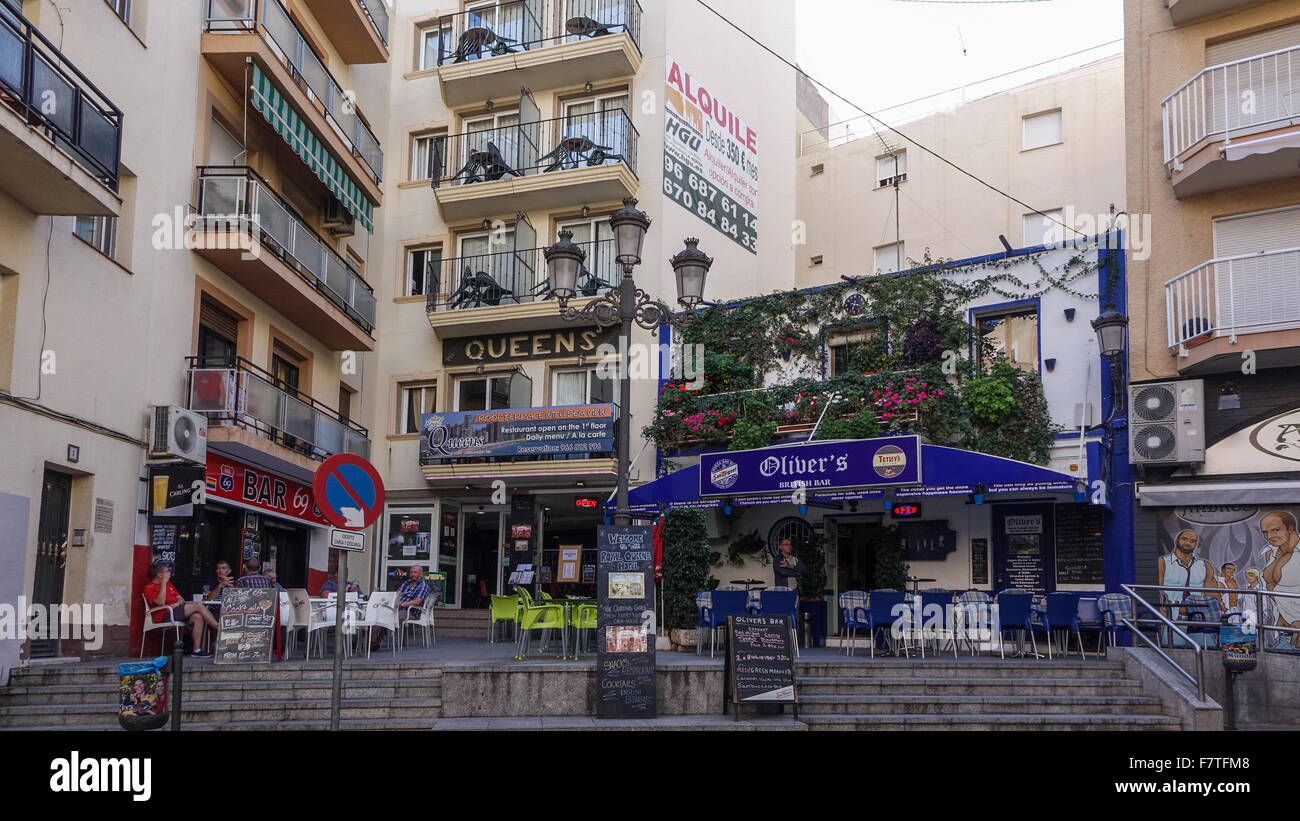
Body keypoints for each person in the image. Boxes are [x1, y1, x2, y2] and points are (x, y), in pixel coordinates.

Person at [143, 562, 220, 657]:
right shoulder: (149, 587)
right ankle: (219, 628)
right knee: (198, 605)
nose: (169, 573)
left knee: (197, 616)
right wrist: (163, 583)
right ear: (159, 575)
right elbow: (161, 602)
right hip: (164, 614)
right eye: (167, 571)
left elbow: (181, 599)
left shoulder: (169, 584)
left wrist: (176, 603)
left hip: (176, 610)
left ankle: (196, 650)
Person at [1260, 510, 1300, 650]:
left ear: (1290, 529)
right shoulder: (1271, 553)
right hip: (1279, 630)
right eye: (1265, 532)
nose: (1270, 536)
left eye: (1275, 530)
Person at [1156, 529, 1219, 617]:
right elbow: (1157, 590)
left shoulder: (1205, 565)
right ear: (1177, 540)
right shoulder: (1163, 562)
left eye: (1193, 541)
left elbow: (1213, 594)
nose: (1188, 543)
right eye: (1184, 539)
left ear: (1196, 544)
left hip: (1198, 616)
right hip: (1171, 615)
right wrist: (1161, 610)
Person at [372, 564, 430, 649]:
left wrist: (403, 604)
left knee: (389, 618)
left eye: (415, 572)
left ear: (421, 574)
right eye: (411, 572)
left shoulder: (423, 586)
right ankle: (373, 641)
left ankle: (376, 642)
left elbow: (418, 601)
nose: (412, 574)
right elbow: (397, 593)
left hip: (411, 611)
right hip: (398, 608)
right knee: (378, 614)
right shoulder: (407, 583)